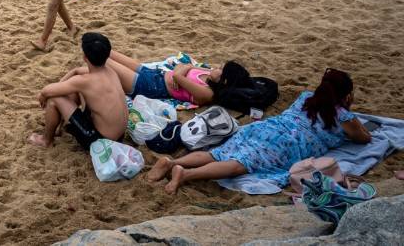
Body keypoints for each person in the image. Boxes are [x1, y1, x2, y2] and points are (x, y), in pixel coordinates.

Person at [148, 69, 371, 195]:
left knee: (220, 152)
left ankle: (172, 162)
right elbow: (364, 138)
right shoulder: (344, 117)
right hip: (287, 144)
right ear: (345, 95)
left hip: (266, 128)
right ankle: (185, 174)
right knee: (239, 164)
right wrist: (347, 107)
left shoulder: (306, 97)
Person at [28, 32, 127, 148]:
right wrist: (61, 85)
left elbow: (47, 91)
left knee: (54, 98)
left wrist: (42, 96)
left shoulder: (84, 82)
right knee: (70, 91)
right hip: (118, 137)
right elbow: (77, 71)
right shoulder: (110, 72)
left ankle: (46, 140)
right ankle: (57, 127)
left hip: (101, 142)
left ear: (85, 57)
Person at [105, 50, 245, 105]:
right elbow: (185, 65)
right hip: (156, 74)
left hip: (152, 87)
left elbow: (178, 74)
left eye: (220, 69)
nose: (215, 68)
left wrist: (182, 72)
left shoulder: (207, 93)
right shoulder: (209, 74)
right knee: (107, 51)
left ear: (224, 80)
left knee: (103, 59)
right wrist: (184, 69)